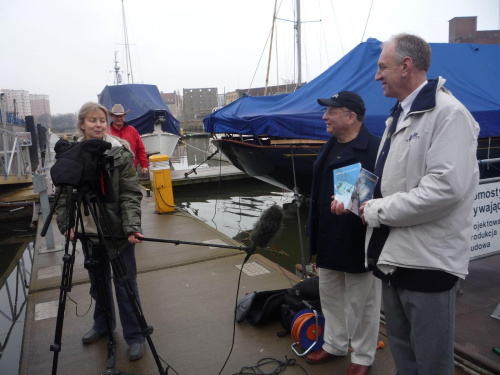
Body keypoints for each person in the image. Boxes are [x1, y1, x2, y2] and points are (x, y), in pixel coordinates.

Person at [360, 34, 479, 374]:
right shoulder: (397, 116)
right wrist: (360, 201)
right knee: (403, 355)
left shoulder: (448, 114)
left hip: (427, 265)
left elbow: (444, 190)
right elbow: (392, 179)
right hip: (393, 260)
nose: (376, 75)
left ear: (406, 66)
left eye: (382, 67)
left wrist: (374, 211)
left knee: (431, 364)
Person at [54, 102, 146, 361]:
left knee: (126, 285)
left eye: (101, 120)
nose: (98, 124)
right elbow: (63, 196)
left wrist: (132, 227)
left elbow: (130, 192)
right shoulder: (70, 154)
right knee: (98, 283)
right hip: (89, 232)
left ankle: (136, 334)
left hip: (118, 232)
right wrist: (67, 224)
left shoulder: (121, 152)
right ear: (82, 124)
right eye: (92, 120)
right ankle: (104, 324)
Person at [306, 91, 382, 375]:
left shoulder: (375, 148)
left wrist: (354, 203)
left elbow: (386, 193)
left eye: (331, 112)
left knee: (364, 303)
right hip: (327, 236)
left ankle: (363, 356)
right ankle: (335, 343)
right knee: (331, 296)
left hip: (358, 240)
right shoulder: (330, 145)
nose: (325, 117)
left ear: (351, 117)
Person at [108, 103, 149, 174]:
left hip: (131, 169)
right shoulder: (106, 132)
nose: (119, 118)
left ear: (124, 116)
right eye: (116, 116)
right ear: (111, 116)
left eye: (121, 116)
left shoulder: (133, 130)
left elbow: (140, 149)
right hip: (113, 170)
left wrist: (144, 165)